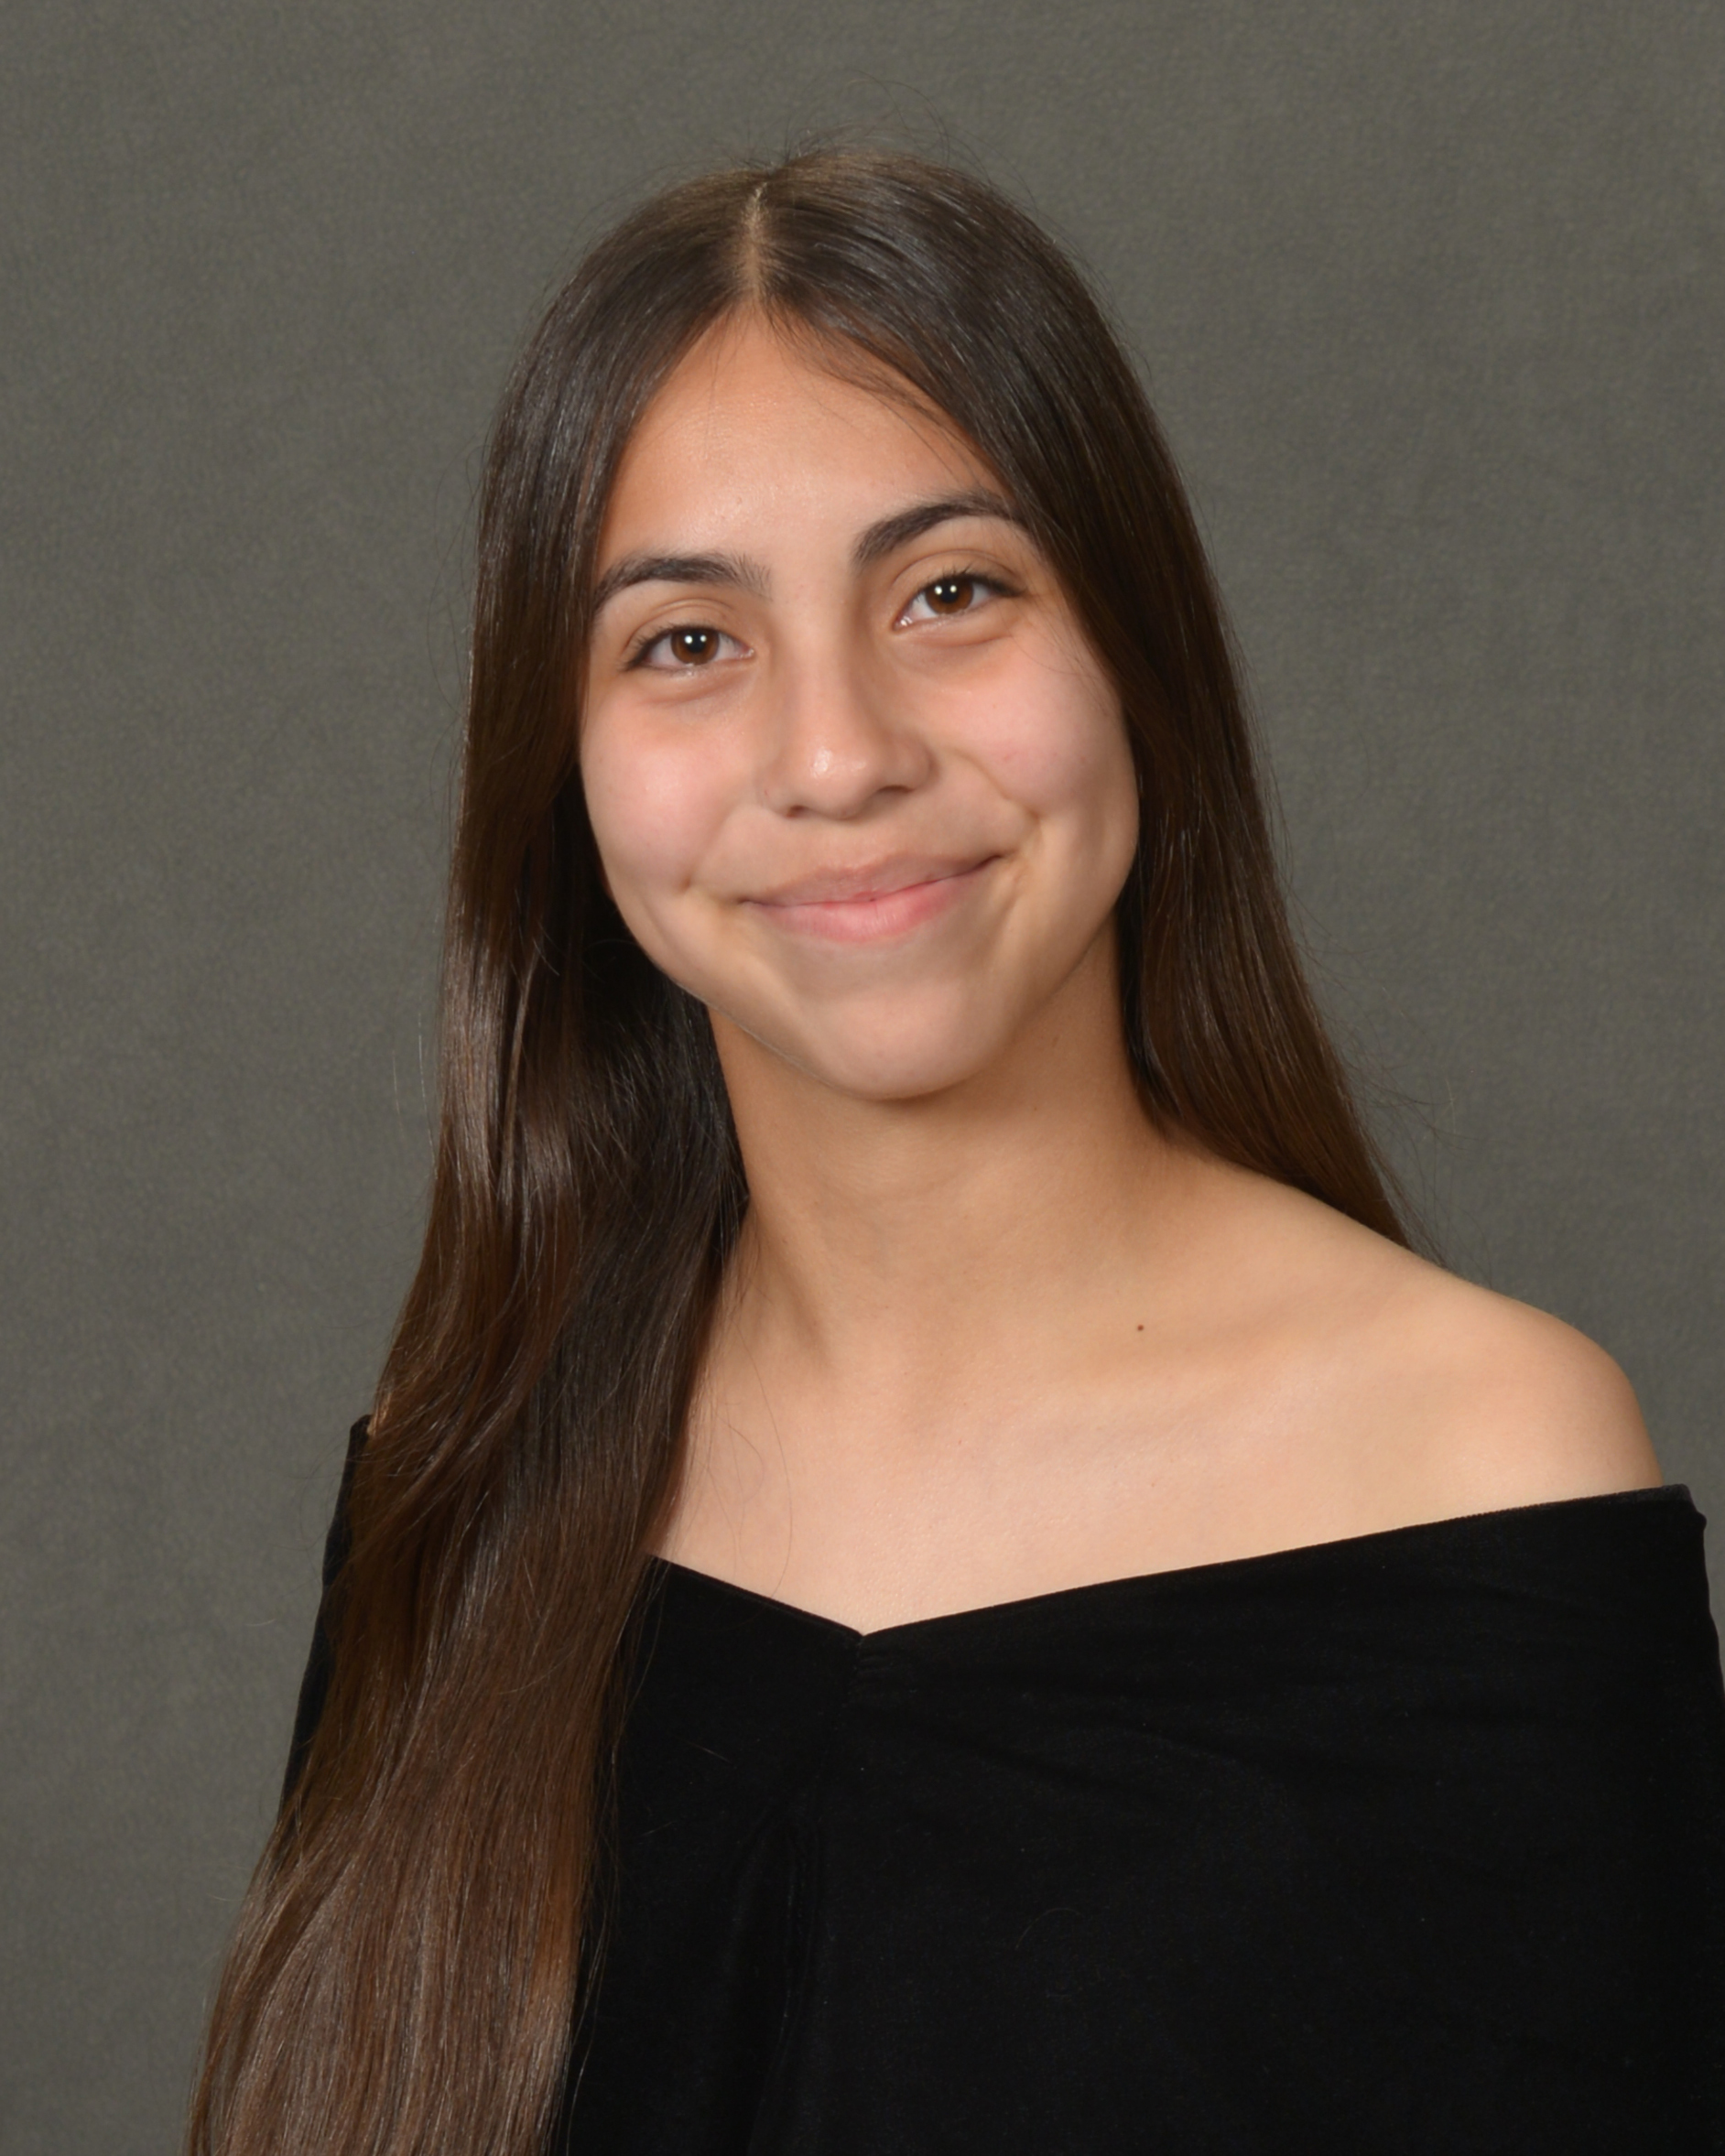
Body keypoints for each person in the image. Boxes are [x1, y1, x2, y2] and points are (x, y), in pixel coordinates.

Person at [190, 149, 1725, 2156]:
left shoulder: (1482, 1462)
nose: (838, 756)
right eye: (686, 641)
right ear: (560, 768)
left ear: (1137, 657)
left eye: (951, 593)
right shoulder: (465, 1457)